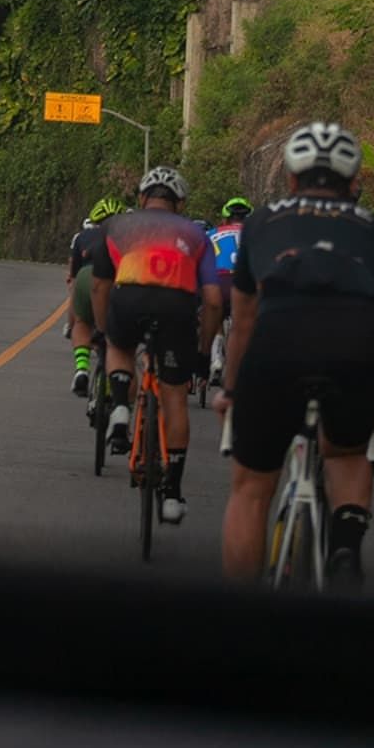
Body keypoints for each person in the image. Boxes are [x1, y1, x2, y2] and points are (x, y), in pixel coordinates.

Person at [214, 123, 374, 589]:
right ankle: (344, 547)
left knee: (252, 488)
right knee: (347, 453)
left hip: (280, 341)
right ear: (354, 182)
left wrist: (232, 391)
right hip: (359, 348)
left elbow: (245, 318)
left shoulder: (261, 221)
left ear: (291, 179)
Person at [91, 165, 223, 526]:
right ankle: (173, 494)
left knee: (118, 347)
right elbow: (213, 300)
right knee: (174, 397)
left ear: (140, 198)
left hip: (129, 299)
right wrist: (202, 351)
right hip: (177, 308)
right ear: (180, 203)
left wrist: (105, 331)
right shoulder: (197, 235)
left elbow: (100, 286)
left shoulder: (117, 226)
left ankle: (120, 406)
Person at [64, 197, 124, 396]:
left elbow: (73, 278)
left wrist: (71, 318)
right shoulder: (128, 237)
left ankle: (82, 368)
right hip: (118, 279)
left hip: (86, 276)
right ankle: (111, 383)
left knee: (82, 322)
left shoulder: (83, 237)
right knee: (113, 331)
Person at [206, 196, 253, 385]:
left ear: (225, 219)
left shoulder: (212, 233)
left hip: (220, 279)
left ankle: (216, 357)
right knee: (247, 319)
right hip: (245, 280)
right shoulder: (256, 233)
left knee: (215, 315)